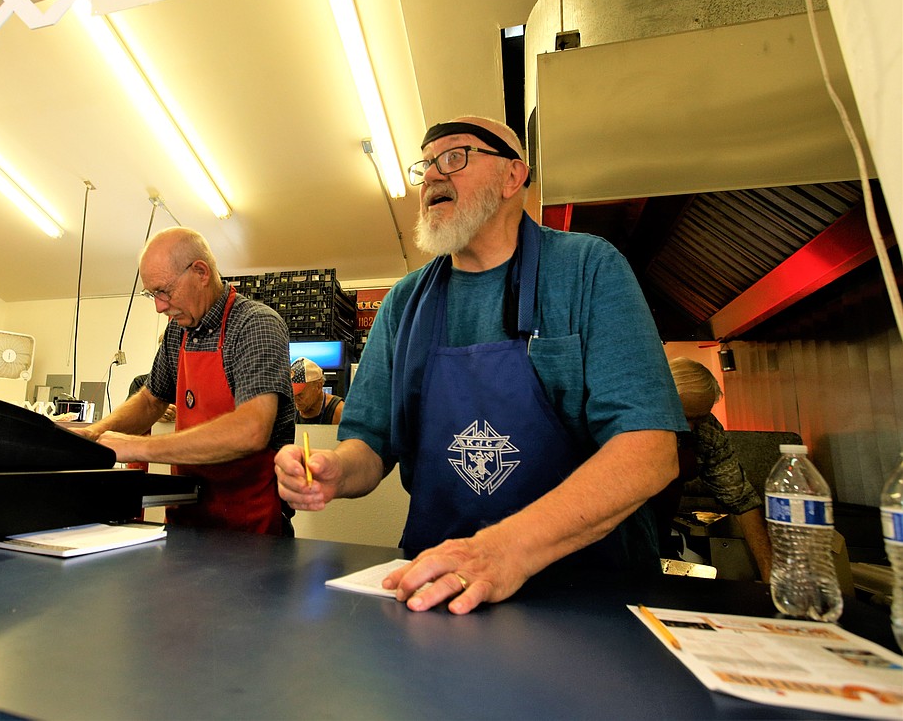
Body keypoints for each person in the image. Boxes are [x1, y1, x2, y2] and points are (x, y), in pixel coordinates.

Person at [275, 116, 686, 614]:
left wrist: (503, 549)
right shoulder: (404, 303)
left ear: (513, 176)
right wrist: (335, 471)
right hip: (440, 591)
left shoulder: (587, 269)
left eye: (454, 158)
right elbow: (371, 444)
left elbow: (648, 451)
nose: (431, 177)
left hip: (589, 595)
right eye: (425, 165)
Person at [75, 227, 296, 535]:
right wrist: (97, 433)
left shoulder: (255, 325)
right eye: (152, 294)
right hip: (188, 516)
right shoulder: (179, 331)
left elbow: (251, 430)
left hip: (250, 526)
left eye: (164, 291)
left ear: (201, 272)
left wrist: (137, 447)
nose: (159, 306)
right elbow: (151, 399)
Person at [666, 357, 773, 581]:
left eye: (699, 418)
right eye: (683, 417)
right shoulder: (626, 422)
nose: (689, 428)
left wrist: (770, 574)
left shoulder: (706, 431)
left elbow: (741, 500)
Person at [291, 357, 343, 425]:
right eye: (292, 394)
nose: (295, 399)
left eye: (300, 394)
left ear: (318, 386)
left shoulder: (339, 412)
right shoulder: (289, 411)